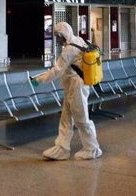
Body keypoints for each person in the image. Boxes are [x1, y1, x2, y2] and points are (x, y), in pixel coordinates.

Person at [31, 22, 102, 160]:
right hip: (73, 87)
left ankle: (92, 148)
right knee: (66, 119)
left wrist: (38, 80)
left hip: (77, 87)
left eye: (58, 36)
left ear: (64, 34)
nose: (57, 39)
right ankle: (62, 148)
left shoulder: (69, 49)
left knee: (81, 119)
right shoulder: (80, 40)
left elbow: (57, 70)